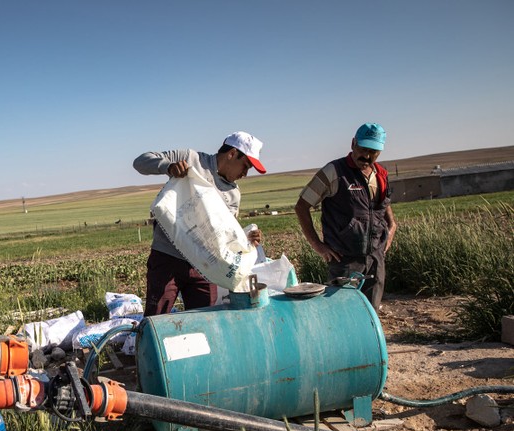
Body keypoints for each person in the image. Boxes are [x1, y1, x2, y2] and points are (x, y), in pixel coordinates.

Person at [133, 132, 266, 316]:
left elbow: (226, 235)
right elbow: (140, 162)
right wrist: (169, 167)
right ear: (232, 154)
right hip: (167, 258)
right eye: (245, 166)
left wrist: (246, 238)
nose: (245, 174)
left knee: (204, 321)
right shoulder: (190, 159)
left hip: (205, 268)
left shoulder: (234, 194)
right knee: (156, 319)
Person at [294, 123, 398, 310]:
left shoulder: (381, 174)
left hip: (376, 258)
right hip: (345, 261)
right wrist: (318, 245)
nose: (366, 155)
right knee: (342, 313)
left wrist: (391, 228)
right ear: (352, 144)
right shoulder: (334, 172)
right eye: (363, 148)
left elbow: (383, 206)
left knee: (370, 313)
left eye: (373, 151)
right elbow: (302, 206)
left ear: (380, 152)